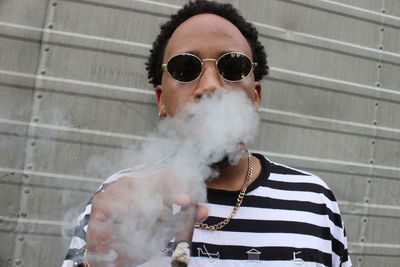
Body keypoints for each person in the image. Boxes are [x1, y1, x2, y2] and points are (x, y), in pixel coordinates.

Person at [62, 0, 352, 266]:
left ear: (256, 97)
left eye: (232, 66)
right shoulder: (121, 200)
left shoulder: (313, 201)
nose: (210, 85)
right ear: (162, 100)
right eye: (186, 68)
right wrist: (99, 262)